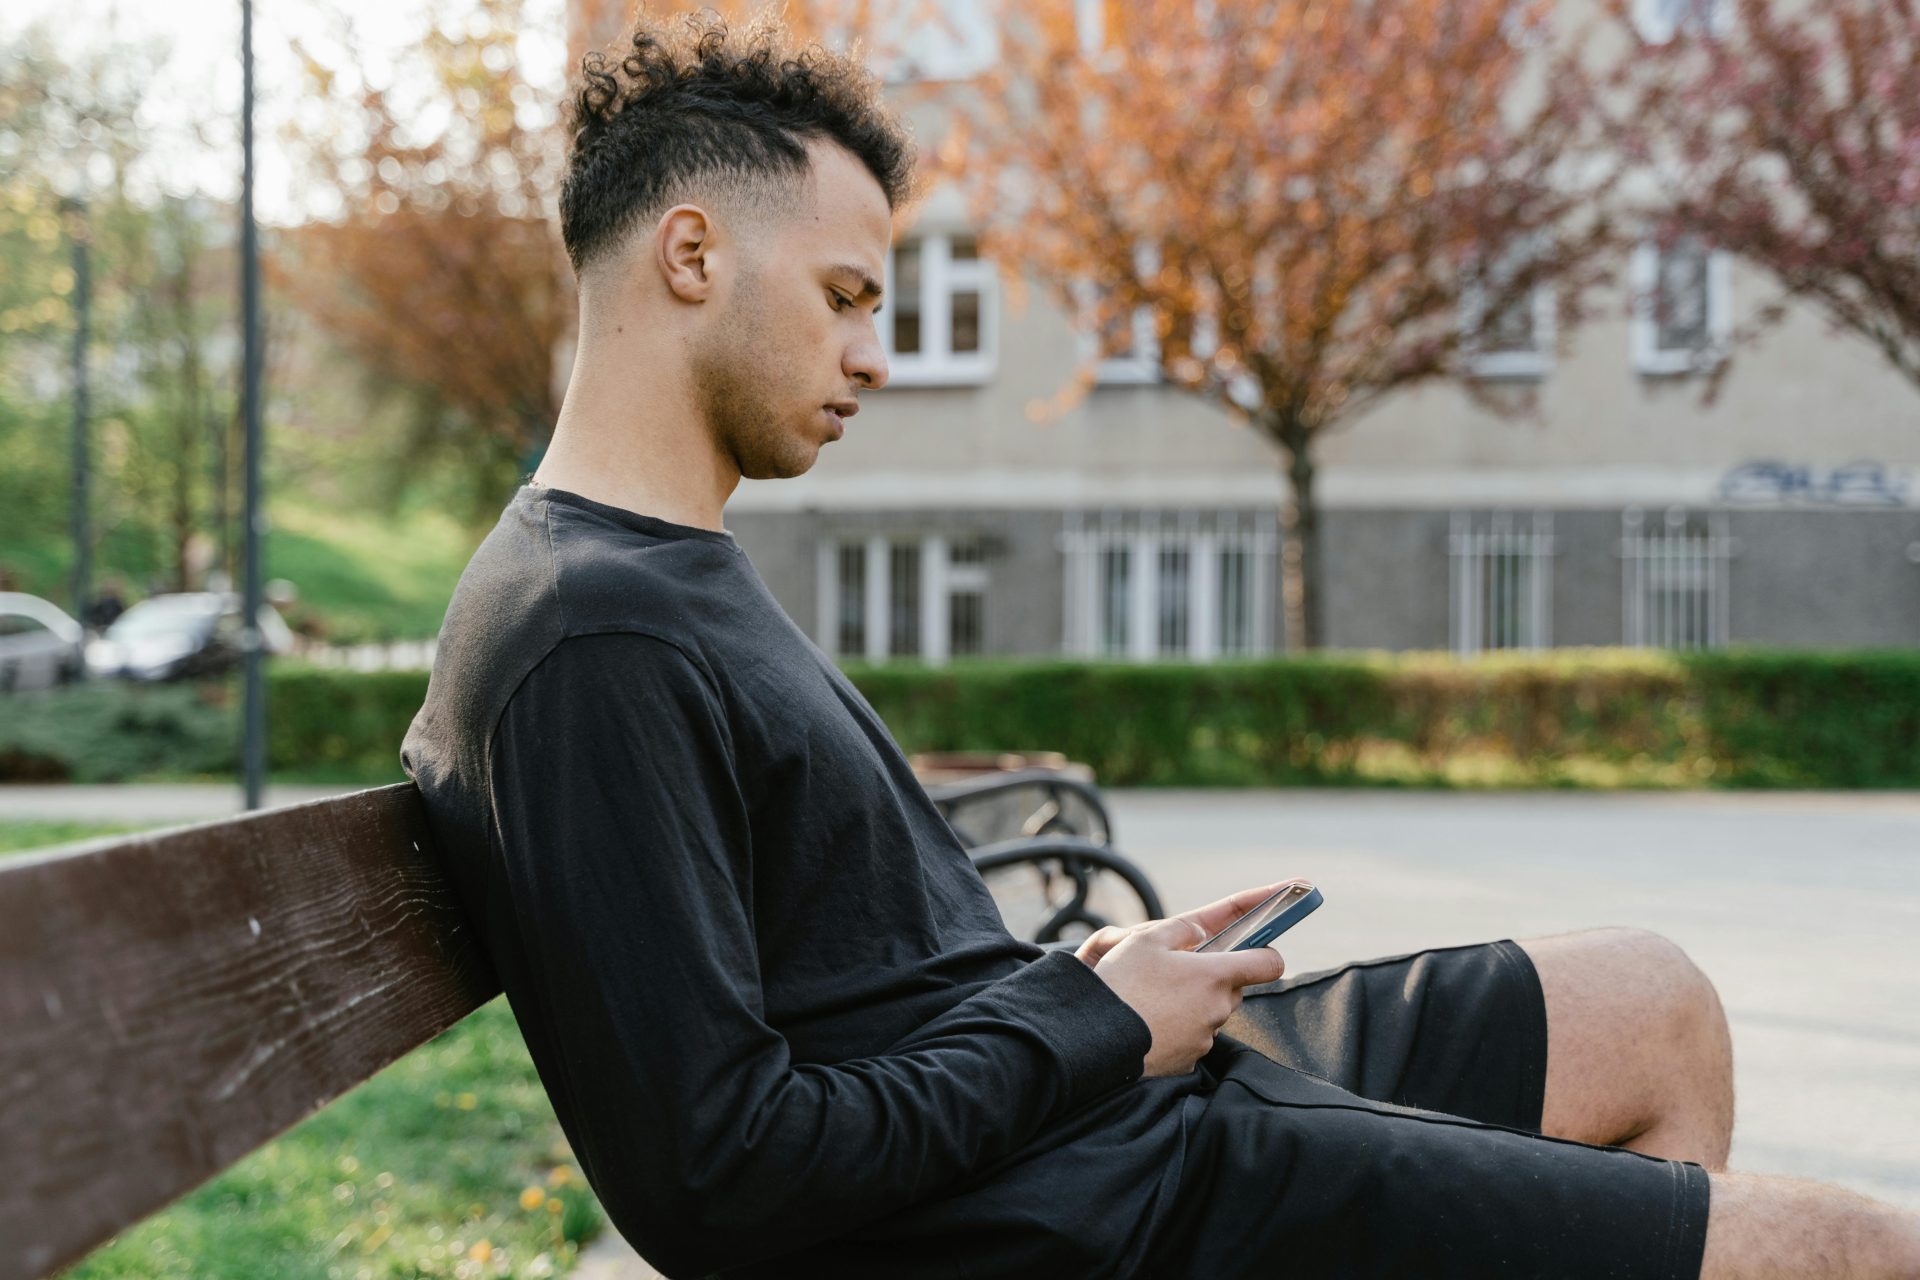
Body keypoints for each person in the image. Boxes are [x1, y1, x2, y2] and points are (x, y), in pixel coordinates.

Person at [399, 12, 1920, 1278]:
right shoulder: (583, 636)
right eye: (848, 297)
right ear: (688, 255)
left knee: (1648, 999)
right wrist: (1088, 1020)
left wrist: (1104, 985)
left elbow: (868, 974)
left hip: (1079, 1109)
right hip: (1082, 1202)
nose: (877, 351)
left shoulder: (665, 569)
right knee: (1849, 1252)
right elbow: (718, 1177)